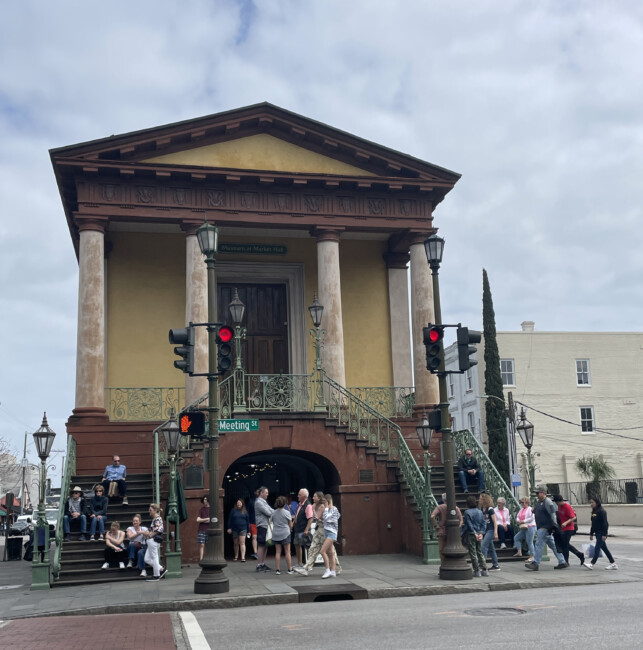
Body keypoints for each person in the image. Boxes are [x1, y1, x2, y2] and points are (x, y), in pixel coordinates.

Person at [295, 491, 342, 577]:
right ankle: (308, 568)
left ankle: (333, 569)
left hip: (324, 531)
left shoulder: (323, 507)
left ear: (320, 498)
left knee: (328, 551)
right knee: (316, 548)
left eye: (315, 496)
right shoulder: (316, 506)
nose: (313, 498)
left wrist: (313, 510)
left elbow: (318, 518)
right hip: (320, 530)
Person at [525, 485, 567, 571]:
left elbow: (552, 514)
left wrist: (555, 525)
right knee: (553, 545)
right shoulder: (539, 502)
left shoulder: (547, 502)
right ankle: (562, 561)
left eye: (538, 493)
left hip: (545, 527)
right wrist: (534, 510)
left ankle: (536, 563)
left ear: (543, 493)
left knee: (539, 544)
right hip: (542, 526)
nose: (536, 494)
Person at [585, 496, 617, 570]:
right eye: (590, 502)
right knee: (604, 548)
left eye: (592, 502)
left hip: (601, 532)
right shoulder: (594, 512)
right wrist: (591, 533)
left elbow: (605, 524)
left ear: (597, 502)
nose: (591, 504)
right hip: (596, 532)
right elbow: (593, 524)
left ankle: (592, 563)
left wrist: (604, 534)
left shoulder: (602, 511)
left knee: (597, 548)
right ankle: (613, 564)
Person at [552, 495, 584, 566]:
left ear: (560, 501)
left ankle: (566, 561)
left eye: (557, 502)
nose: (556, 504)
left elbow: (573, 517)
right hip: (562, 528)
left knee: (565, 545)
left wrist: (566, 523)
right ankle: (579, 554)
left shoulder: (567, 507)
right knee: (565, 544)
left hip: (569, 528)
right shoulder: (559, 506)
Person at [430, 492, 463, 562]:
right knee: (453, 549)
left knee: (442, 549)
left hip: (442, 530)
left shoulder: (440, 507)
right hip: (453, 531)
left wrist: (436, 525)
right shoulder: (456, 508)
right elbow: (461, 520)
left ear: (443, 499)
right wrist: (458, 527)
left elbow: (432, 516)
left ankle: (444, 563)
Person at [461, 495, 488, 577]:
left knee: (473, 553)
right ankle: (485, 569)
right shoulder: (480, 511)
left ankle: (476, 570)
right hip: (479, 533)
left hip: (471, 534)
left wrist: (474, 532)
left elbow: (469, 524)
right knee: (480, 552)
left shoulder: (467, 512)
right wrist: (481, 533)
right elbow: (484, 523)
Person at [271, 496, 294, 575]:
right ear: (284, 504)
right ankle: (290, 569)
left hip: (276, 533)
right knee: (287, 551)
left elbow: (272, 521)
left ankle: (278, 569)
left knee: (278, 552)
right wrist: (291, 529)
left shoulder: (273, 512)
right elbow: (290, 524)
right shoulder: (287, 512)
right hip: (285, 533)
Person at [144, 503, 166, 581]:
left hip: (153, 540)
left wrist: (149, 535)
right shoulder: (156, 519)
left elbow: (157, 530)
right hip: (151, 541)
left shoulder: (157, 519)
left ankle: (156, 575)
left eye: (150, 510)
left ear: (155, 510)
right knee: (147, 559)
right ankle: (161, 569)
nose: (149, 511)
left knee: (154, 557)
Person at [320, 493, 340, 579]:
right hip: (327, 532)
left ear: (327, 501)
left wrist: (326, 510)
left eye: (324, 501)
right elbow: (325, 519)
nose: (323, 502)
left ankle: (327, 570)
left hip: (332, 533)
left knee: (322, 551)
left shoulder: (333, 509)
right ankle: (333, 571)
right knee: (330, 552)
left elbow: (328, 518)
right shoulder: (326, 509)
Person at [292, 488, 314, 568]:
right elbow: (297, 515)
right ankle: (300, 563)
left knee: (306, 546)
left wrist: (306, 529)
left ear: (304, 496)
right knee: (297, 545)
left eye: (299, 495)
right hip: (298, 529)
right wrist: (293, 523)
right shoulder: (299, 504)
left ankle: (308, 564)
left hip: (303, 529)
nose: (298, 496)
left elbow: (310, 518)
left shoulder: (307, 505)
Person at [254, 486, 274, 572]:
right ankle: (259, 564)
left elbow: (271, 510)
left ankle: (262, 563)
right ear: (261, 493)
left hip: (265, 525)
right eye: (266, 493)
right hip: (262, 525)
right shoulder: (259, 502)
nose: (267, 494)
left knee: (265, 545)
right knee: (261, 545)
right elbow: (268, 512)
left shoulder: (263, 502)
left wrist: (275, 512)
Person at [479, 493, 501, 571]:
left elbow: (495, 521)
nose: (479, 500)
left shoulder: (490, 509)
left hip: (491, 530)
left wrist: (495, 532)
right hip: (485, 529)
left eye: (481, 498)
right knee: (491, 548)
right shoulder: (481, 509)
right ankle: (495, 565)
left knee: (483, 546)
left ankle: (482, 564)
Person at [512, 496, 536, 561]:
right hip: (523, 527)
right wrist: (518, 520)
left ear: (526, 502)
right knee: (516, 538)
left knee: (529, 541)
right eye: (521, 503)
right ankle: (519, 551)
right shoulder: (521, 510)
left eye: (523, 502)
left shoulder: (530, 509)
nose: (522, 504)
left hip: (530, 527)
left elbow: (532, 518)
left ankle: (533, 555)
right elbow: (517, 516)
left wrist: (523, 521)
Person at [196, 496, 210, 561]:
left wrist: (202, 520)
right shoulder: (201, 509)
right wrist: (206, 519)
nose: (205, 501)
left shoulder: (212, 509)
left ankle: (207, 558)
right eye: (204, 499)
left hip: (209, 530)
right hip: (202, 529)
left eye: (206, 499)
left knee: (208, 545)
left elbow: (212, 520)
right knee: (202, 544)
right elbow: (197, 520)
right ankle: (201, 559)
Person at [246, 489, 259, 560]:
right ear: (254, 492)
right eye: (257, 491)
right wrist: (248, 522)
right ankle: (256, 552)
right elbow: (247, 512)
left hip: (261, 522)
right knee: (254, 537)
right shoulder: (251, 501)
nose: (258, 492)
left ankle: (260, 552)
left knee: (260, 538)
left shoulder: (264, 501)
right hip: (253, 522)